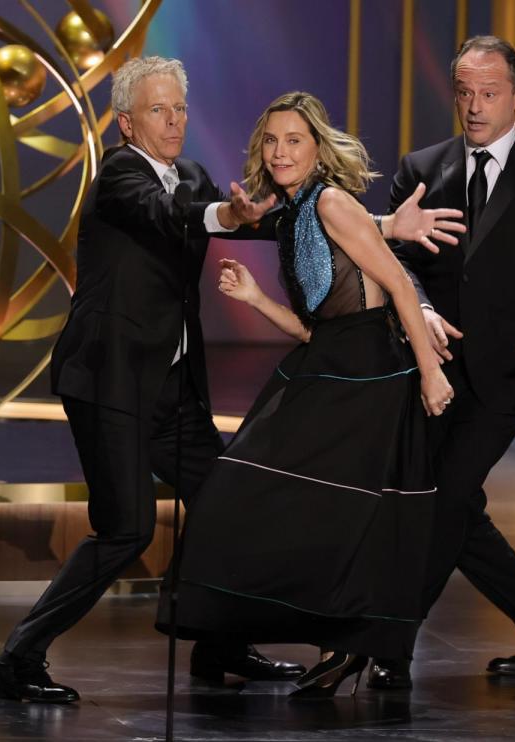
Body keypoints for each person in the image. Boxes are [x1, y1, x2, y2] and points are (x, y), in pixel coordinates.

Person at [0, 58, 461, 704]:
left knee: (228, 500)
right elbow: (176, 211)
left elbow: (288, 219)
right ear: (127, 122)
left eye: (180, 108)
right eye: (160, 110)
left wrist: (381, 228)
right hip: (111, 380)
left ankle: (221, 643)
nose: (176, 120)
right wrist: (226, 219)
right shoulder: (121, 177)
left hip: (170, 388)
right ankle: (18, 658)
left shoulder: (194, 177)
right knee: (126, 530)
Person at [157, 90, 455, 698]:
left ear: (317, 148)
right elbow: (314, 325)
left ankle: (344, 645)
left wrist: (430, 370)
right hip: (323, 362)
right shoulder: (290, 214)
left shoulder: (332, 202)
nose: (280, 151)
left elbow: (397, 281)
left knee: (337, 514)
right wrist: (256, 301)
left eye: (294, 140)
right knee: (289, 505)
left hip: (368, 373)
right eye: (271, 140)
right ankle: (325, 645)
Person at [369, 35, 515, 690]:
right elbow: (400, 260)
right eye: (465, 92)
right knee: (450, 504)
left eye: (489, 93)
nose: (474, 106)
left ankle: (388, 645)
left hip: (506, 376)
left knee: (442, 503)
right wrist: (417, 305)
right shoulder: (422, 165)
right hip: (430, 367)